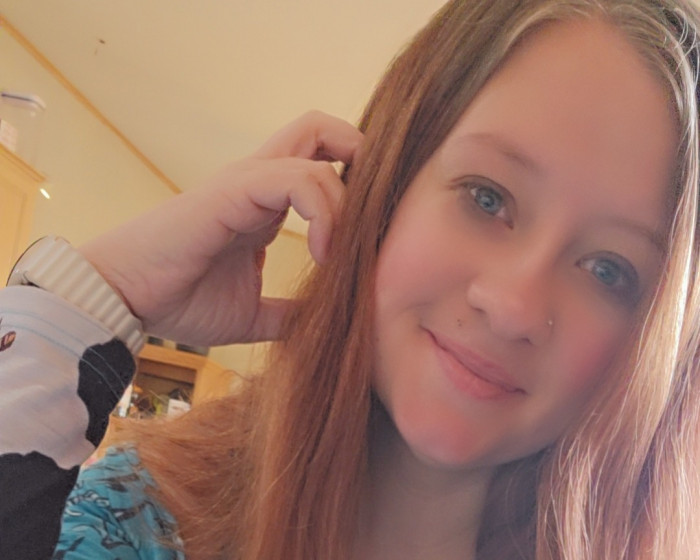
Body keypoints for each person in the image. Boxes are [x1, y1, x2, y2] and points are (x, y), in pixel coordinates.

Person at [1, 0, 700, 558]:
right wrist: (97, 294)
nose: (514, 305)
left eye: (609, 269)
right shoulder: (133, 526)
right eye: (488, 197)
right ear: (382, 186)